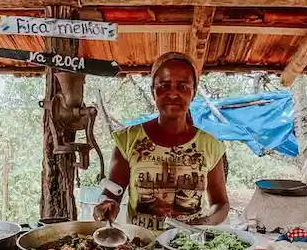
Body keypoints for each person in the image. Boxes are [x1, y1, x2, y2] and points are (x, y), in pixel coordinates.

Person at [93, 51, 229, 231]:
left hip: (189, 246)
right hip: (140, 246)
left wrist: (204, 223)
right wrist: (107, 204)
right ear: (153, 91)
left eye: (182, 86)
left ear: (193, 92)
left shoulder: (210, 145)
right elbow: (112, 192)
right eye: (164, 86)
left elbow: (221, 204)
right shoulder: (129, 140)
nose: (173, 94)